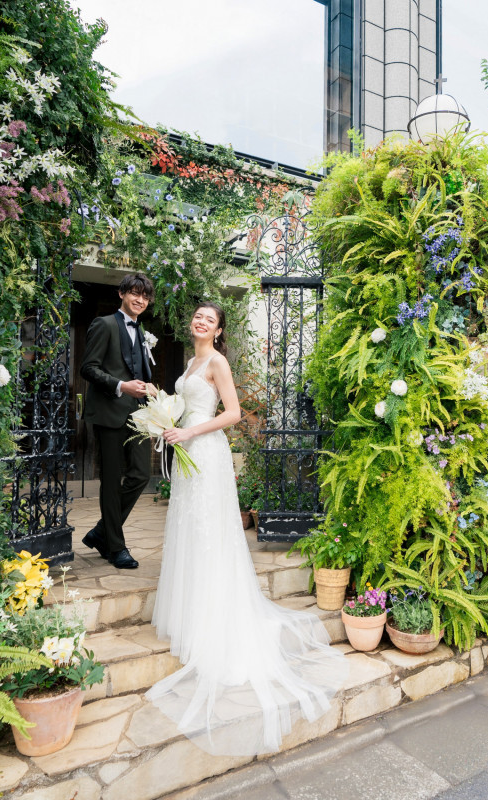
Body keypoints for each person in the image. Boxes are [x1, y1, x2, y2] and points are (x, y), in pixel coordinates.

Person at [146, 301, 348, 756]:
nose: (200, 321)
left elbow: (234, 413)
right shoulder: (190, 361)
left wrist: (190, 433)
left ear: (219, 331)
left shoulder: (216, 361)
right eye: (197, 316)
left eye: (209, 319)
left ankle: (215, 619)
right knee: (188, 532)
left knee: (210, 534)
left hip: (206, 451)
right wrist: (168, 426)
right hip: (185, 451)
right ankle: (190, 613)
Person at [79, 273, 155, 570]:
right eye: (135, 293)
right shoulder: (105, 324)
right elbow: (89, 368)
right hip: (110, 412)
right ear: (122, 293)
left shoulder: (143, 331)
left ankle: (101, 532)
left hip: (139, 415)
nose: (140, 300)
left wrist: (149, 390)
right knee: (111, 481)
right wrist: (122, 386)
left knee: (140, 475)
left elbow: (141, 370)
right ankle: (115, 546)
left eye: (145, 297)